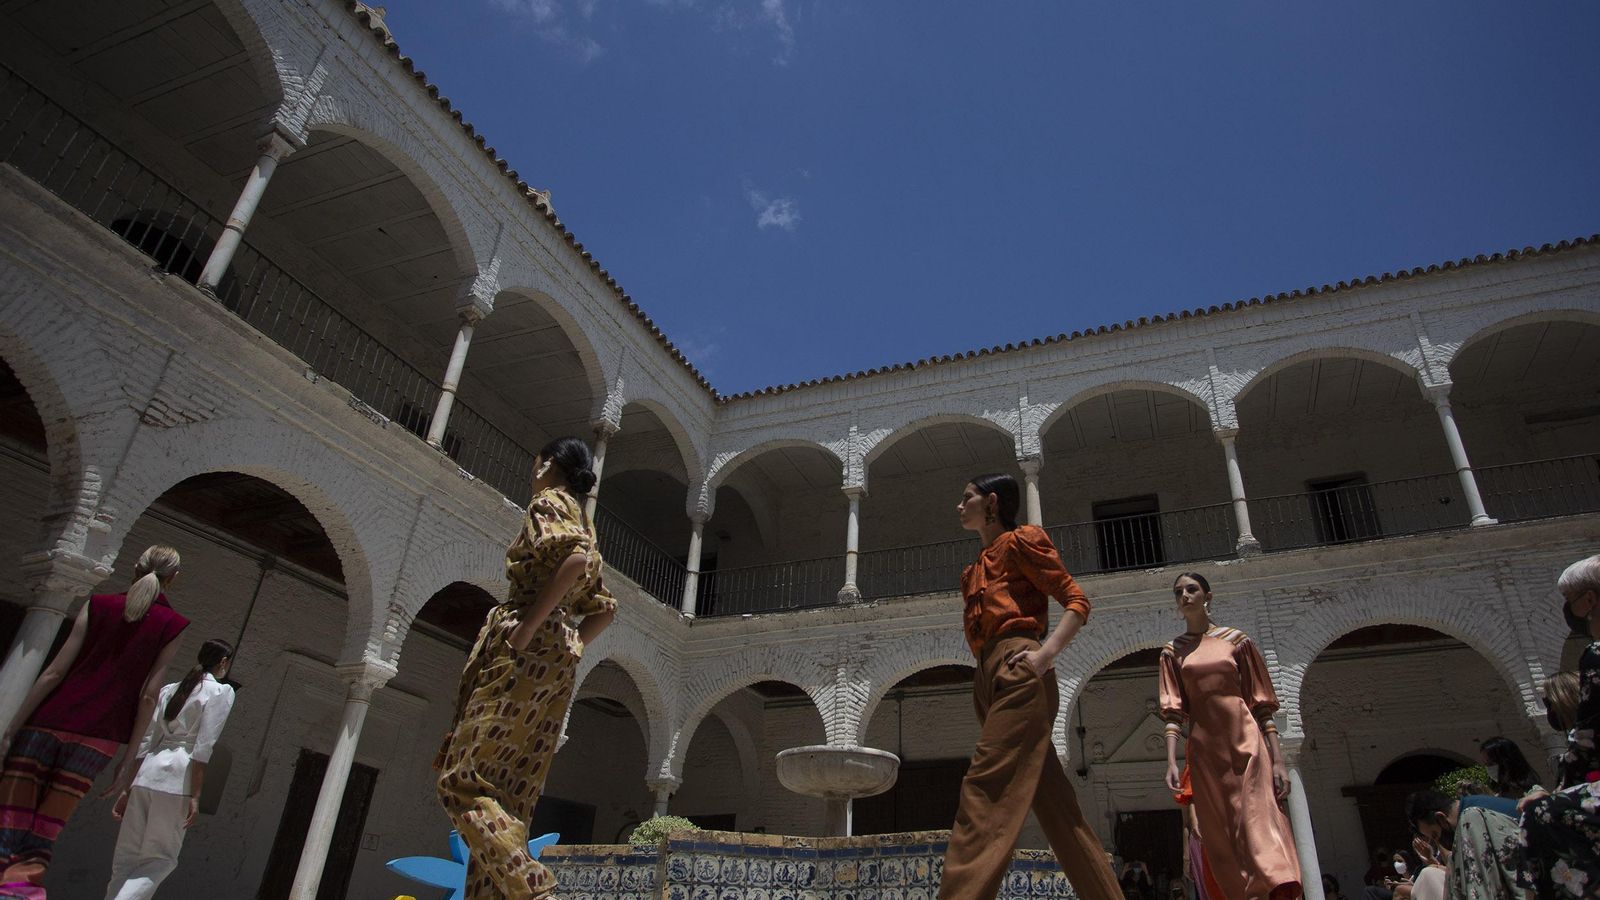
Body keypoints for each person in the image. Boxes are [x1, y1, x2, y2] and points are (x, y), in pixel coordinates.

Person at [436, 437, 617, 899]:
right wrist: (571, 642)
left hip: (524, 645)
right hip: (555, 659)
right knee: (510, 795)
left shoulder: (547, 502)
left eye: (534, 461)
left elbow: (572, 561)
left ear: (547, 465)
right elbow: (605, 609)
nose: (531, 469)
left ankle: (534, 888)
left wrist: (526, 629)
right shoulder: (583, 519)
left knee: (461, 780)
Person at [936, 473, 1123, 900]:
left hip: (1020, 669)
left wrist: (1045, 656)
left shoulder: (1022, 541)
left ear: (992, 503)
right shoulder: (974, 569)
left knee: (984, 790)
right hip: (987, 677)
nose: (959, 506)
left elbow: (1076, 601)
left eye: (967, 498)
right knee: (1059, 812)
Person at [0, 546, 188, 897]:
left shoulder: (99, 604)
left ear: (135, 568)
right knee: (48, 825)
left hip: (49, 719)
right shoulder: (172, 625)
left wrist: (12, 726)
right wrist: (128, 760)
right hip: (101, 737)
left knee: (11, 812)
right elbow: (150, 696)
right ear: (173, 579)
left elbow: (55, 671)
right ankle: (18, 892)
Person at [1159, 573, 1301, 900]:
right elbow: (1173, 711)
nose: (1184, 595)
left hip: (1245, 737)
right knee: (1220, 830)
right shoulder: (1172, 652)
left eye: (1191, 589)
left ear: (1208, 596)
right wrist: (1170, 760)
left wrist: (1278, 759)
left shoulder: (1237, 641)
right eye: (1178, 592)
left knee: (1256, 818)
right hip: (1205, 749)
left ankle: (1274, 887)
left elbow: (1261, 703)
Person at [103, 639, 236, 900]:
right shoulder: (219, 693)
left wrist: (129, 788)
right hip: (177, 777)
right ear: (223, 663)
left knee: (127, 856)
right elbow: (202, 748)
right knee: (161, 858)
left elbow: (146, 741)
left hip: (148, 772)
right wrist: (195, 796)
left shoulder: (169, 690)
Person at [1516, 554, 1600, 899]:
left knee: (1540, 815)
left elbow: (1590, 740)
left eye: (1570, 601)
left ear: (1590, 600)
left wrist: (1556, 789)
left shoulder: (1597, 654)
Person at [1405, 788, 1522, 900]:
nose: (1439, 843)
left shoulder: (1472, 817)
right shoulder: (1474, 806)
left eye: (1435, 836)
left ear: (1441, 818)